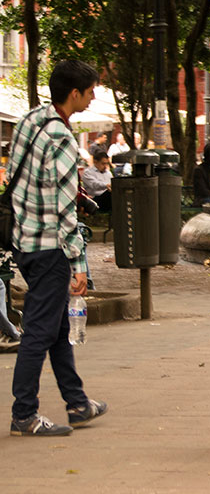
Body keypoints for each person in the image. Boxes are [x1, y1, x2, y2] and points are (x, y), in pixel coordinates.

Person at [7, 59, 108, 436]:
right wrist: (79, 261)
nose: (93, 96)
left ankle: (77, 403)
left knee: (58, 325)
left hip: (25, 241)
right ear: (74, 93)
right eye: (90, 90)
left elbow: (15, 181)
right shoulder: (63, 141)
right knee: (37, 331)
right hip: (51, 247)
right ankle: (24, 415)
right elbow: (65, 209)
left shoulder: (30, 121)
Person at [79, 148, 113, 213]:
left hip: (107, 198)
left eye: (106, 164)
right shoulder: (88, 172)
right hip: (95, 199)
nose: (105, 166)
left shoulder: (108, 173)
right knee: (109, 194)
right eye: (103, 164)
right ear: (95, 162)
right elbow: (94, 185)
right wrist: (107, 185)